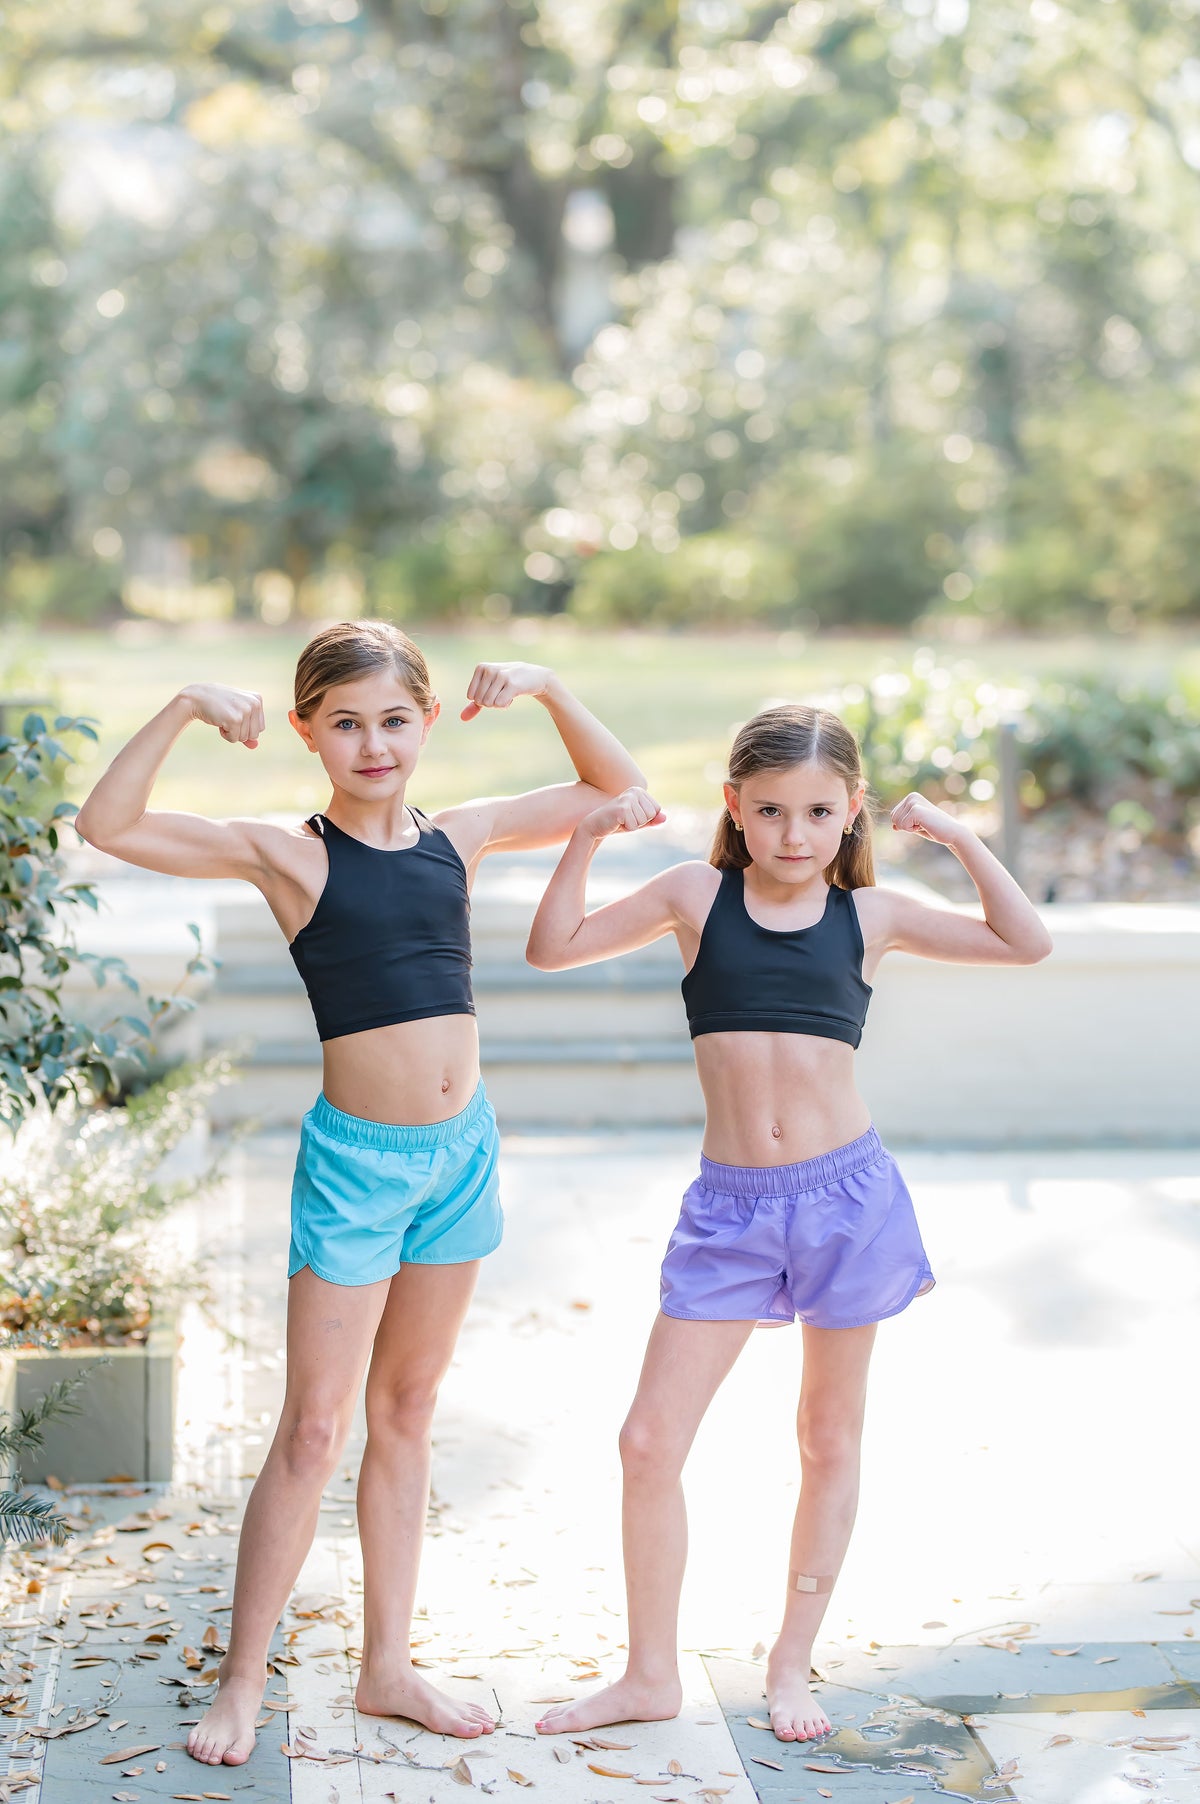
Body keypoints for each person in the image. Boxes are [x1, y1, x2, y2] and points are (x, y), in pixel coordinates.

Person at [74, 619, 648, 1767]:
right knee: (316, 1425)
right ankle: (243, 1681)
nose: (373, 743)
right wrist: (188, 704)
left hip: (461, 1156)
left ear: (427, 723)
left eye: (394, 720)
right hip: (357, 1167)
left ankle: (389, 1667)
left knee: (406, 1413)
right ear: (306, 733)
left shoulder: (464, 835)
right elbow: (108, 824)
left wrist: (545, 686)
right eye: (346, 723)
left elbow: (619, 788)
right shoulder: (290, 855)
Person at [525, 702, 1052, 1744]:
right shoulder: (693, 894)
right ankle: (648, 1673)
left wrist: (955, 835)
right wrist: (584, 837)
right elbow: (553, 947)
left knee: (825, 1434)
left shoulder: (875, 914)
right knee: (646, 1440)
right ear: (735, 807)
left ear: (852, 810)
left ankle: (790, 1663)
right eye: (770, 811)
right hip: (729, 1210)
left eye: (819, 811)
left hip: (845, 1202)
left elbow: (1025, 940)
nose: (795, 834)